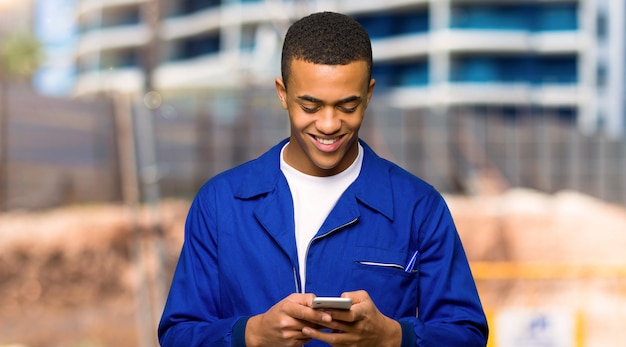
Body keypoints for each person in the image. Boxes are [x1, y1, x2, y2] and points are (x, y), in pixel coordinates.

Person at [158, 11, 488, 347]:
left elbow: (466, 334)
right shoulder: (220, 204)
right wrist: (250, 335)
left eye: (347, 106)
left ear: (369, 94)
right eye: (310, 106)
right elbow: (178, 334)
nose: (329, 124)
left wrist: (392, 337)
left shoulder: (419, 207)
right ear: (282, 92)